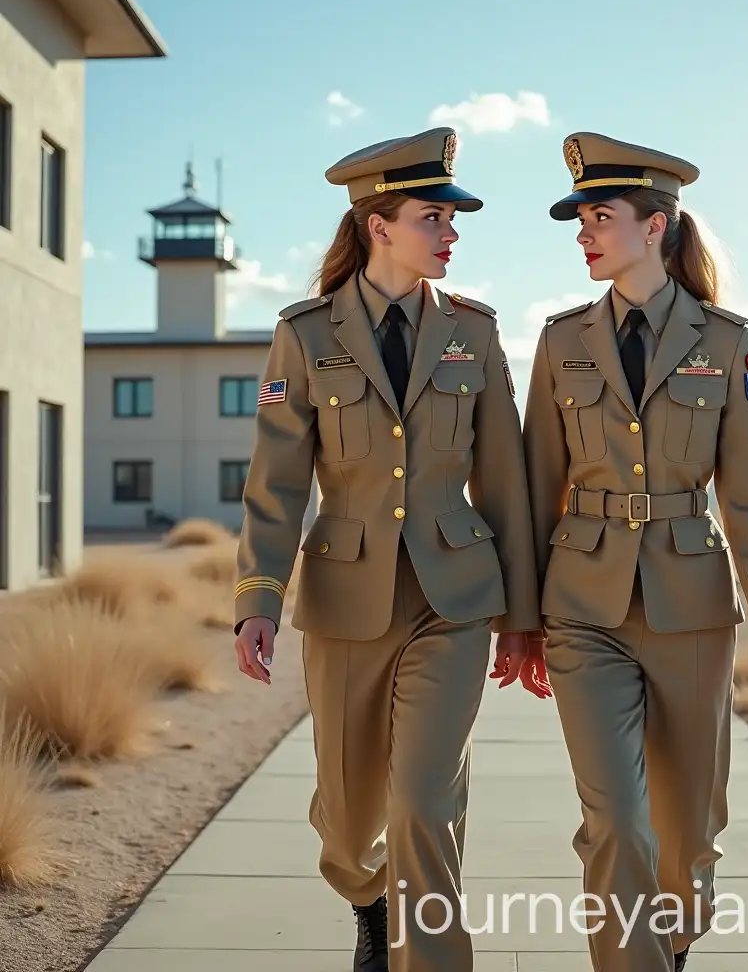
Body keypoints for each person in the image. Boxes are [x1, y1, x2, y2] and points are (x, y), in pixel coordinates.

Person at [232, 126, 549, 972]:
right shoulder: (303, 335)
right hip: (345, 603)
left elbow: (507, 487)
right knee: (349, 816)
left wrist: (521, 618)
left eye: (452, 218)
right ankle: (367, 899)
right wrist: (257, 600)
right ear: (379, 225)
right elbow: (276, 485)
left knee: (424, 800)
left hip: (456, 602)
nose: (451, 232)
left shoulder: (474, 334)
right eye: (433, 216)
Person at [522, 131, 748, 971]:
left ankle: (675, 940)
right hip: (582, 608)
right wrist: (522, 618)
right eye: (578, 218)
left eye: (599, 216)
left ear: (656, 227)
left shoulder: (723, 341)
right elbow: (538, 485)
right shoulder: (559, 340)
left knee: (688, 829)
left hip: (690, 607)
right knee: (614, 822)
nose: (583, 232)